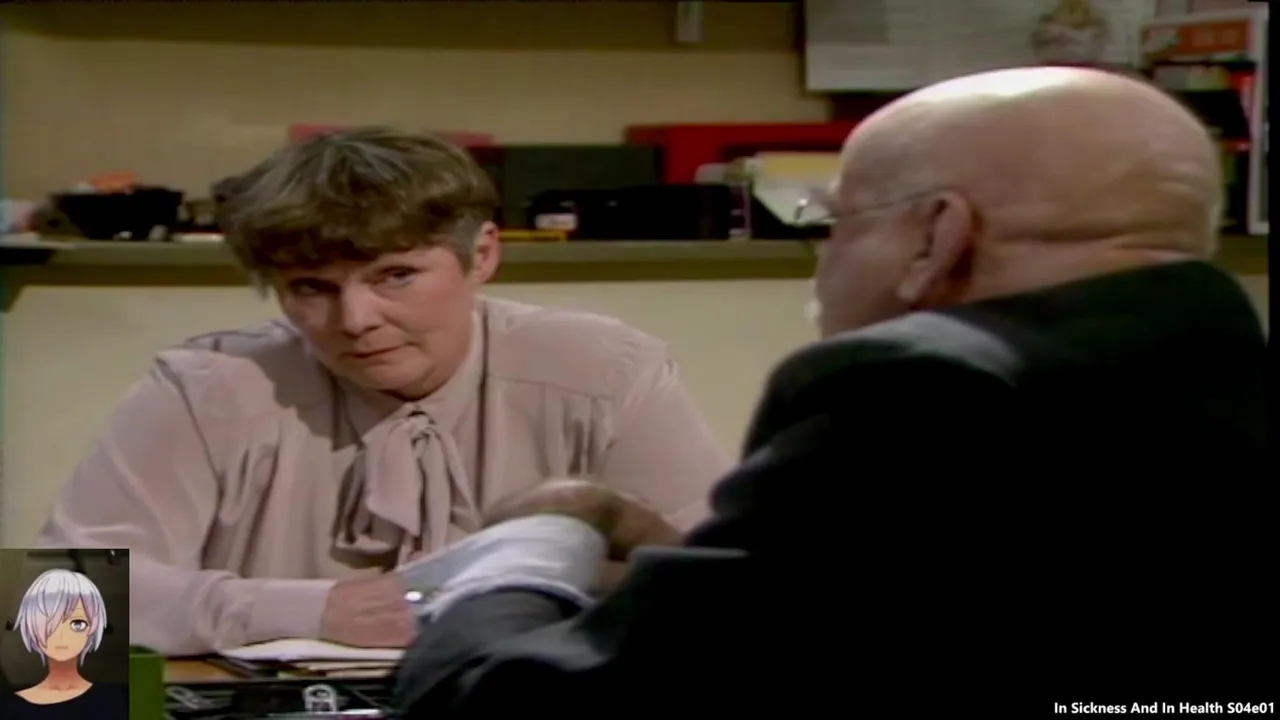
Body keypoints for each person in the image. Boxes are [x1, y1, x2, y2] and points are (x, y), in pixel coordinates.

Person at [391, 67, 1270, 716]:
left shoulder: (922, 381)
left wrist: (532, 549)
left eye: (835, 222)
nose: (823, 263)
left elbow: (528, 712)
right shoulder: (1216, 364)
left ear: (936, 236)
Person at [36, 128, 730, 656]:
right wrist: (312, 609)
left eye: (395, 276)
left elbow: (726, 590)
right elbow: (57, 606)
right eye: (312, 288)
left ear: (482, 255)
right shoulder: (206, 389)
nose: (355, 320)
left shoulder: (604, 372)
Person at [0, 570, 127, 720]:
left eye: (77, 624)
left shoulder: (119, 698)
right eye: (49, 623)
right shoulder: (10, 708)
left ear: (92, 627)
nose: (61, 636)